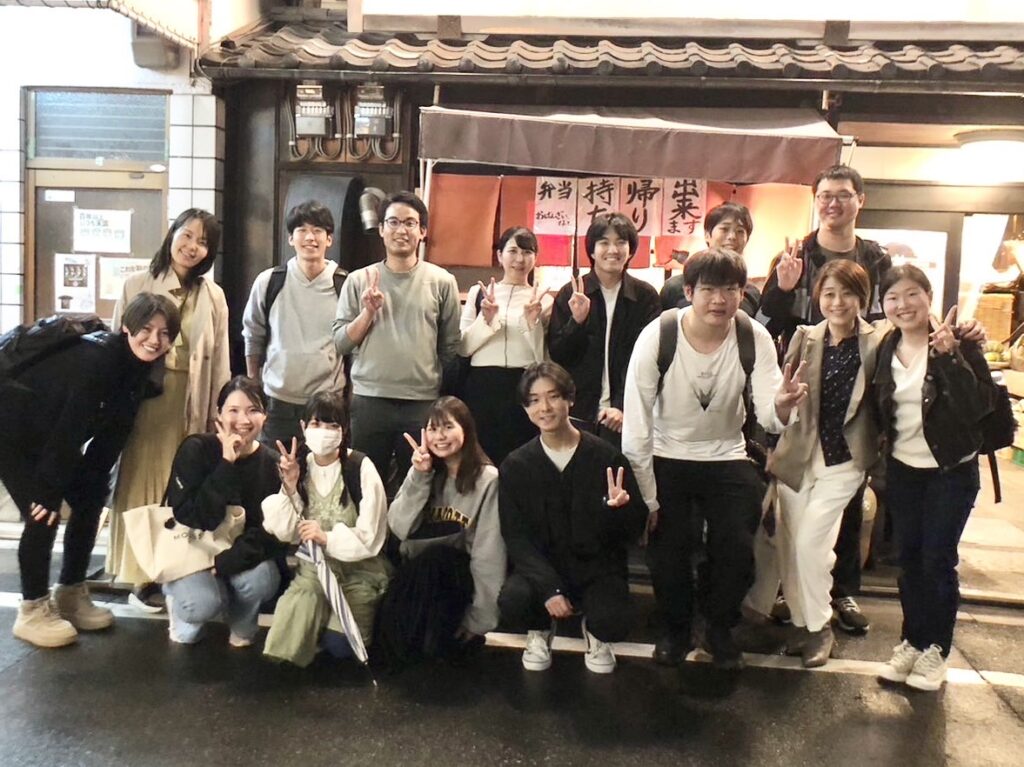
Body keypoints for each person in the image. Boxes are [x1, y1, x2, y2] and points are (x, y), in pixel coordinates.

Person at [622, 248, 807, 669]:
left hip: (726, 453)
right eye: (708, 289)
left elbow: (769, 416)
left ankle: (718, 627)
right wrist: (648, 497)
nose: (719, 300)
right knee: (669, 552)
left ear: (742, 292)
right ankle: (675, 629)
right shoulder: (658, 335)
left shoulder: (752, 336)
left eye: (730, 289)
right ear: (688, 291)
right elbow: (636, 424)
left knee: (737, 550)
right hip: (666, 452)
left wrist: (783, 405)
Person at [2, 293, 180, 648]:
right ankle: (32, 608)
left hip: (46, 431)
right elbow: (68, 428)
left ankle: (70, 591)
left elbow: (114, 432)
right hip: (10, 430)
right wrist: (47, 491)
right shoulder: (97, 360)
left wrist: (95, 484)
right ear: (127, 327)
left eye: (164, 333)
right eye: (146, 329)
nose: (154, 340)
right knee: (43, 512)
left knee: (90, 500)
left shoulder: (140, 369)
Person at [757, 165, 891, 634]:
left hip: (853, 411)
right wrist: (783, 287)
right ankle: (798, 598)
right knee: (798, 525)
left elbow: (895, 319)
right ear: (816, 201)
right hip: (805, 405)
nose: (833, 204)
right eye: (825, 196)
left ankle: (840, 593)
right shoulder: (796, 254)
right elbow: (767, 323)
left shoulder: (876, 258)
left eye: (843, 195)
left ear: (860, 200)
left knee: (843, 515)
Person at [744, 261, 881, 667]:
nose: (837, 302)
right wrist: (775, 439)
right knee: (789, 546)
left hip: (845, 461)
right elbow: (781, 403)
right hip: (800, 455)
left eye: (847, 293)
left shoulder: (877, 342)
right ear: (819, 297)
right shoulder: (806, 338)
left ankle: (820, 626)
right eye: (829, 293)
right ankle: (803, 625)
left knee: (811, 543)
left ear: (862, 297)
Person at [874, 265, 995, 692]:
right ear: (883, 304)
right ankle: (912, 640)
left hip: (950, 470)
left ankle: (936, 650)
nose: (903, 305)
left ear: (929, 296)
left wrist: (951, 358)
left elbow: (978, 407)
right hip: (903, 470)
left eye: (912, 294)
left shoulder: (957, 342)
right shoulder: (884, 346)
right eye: (893, 297)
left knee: (937, 559)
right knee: (908, 559)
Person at [106, 208, 230, 613]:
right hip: (146, 403)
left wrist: (220, 412)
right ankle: (138, 575)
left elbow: (221, 358)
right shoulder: (137, 284)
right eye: (187, 235)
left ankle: (173, 569)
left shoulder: (213, 295)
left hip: (192, 401)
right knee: (141, 482)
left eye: (203, 242)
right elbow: (114, 349)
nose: (192, 246)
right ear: (172, 233)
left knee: (178, 484)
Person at [498, 362, 648, 674]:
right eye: (534, 400)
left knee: (614, 620)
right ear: (526, 408)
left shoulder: (606, 458)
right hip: (543, 567)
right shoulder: (516, 465)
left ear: (570, 399)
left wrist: (620, 509)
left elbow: (632, 533)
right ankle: (540, 629)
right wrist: (549, 588)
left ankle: (595, 632)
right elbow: (516, 537)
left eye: (553, 396)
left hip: (596, 568)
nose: (545, 408)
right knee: (513, 600)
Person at [333, 191, 461, 489]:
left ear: (423, 231)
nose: (401, 230)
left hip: (421, 402)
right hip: (369, 400)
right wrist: (368, 312)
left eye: (409, 223)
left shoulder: (442, 281)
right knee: (365, 485)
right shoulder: (359, 280)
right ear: (381, 229)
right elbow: (341, 343)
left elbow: (450, 348)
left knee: (420, 483)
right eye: (393, 222)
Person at [261, 390, 390, 667]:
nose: (324, 431)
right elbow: (285, 532)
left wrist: (327, 538)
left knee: (341, 646)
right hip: (314, 570)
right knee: (284, 644)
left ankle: (330, 623)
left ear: (344, 430)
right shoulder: (299, 467)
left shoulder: (359, 467)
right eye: (316, 423)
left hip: (359, 571)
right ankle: (317, 618)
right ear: (303, 426)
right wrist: (290, 486)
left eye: (332, 425)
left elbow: (372, 535)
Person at [161, 377, 287, 647]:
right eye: (233, 410)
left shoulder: (272, 463)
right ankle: (182, 606)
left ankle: (242, 623)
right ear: (219, 414)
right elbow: (194, 517)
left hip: (235, 551)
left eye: (253, 410)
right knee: (203, 603)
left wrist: (227, 562)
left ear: (265, 416)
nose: (243, 419)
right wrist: (226, 462)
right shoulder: (196, 449)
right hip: (192, 546)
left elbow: (268, 531)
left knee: (263, 580)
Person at [378, 396, 505, 665]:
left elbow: (488, 553)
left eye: (448, 427)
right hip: (418, 575)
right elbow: (398, 527)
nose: (440, 436)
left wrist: (479, 620)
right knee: (391, 647)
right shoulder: (424, 472)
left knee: (438, 558)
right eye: (433, 429)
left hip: (457, 579)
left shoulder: (488, 480)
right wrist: (419, 476)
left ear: (466, 429)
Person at [548, 213, 660, 447]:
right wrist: (576, 322)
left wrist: (621, 405)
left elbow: (648, 357)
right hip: (578, 412)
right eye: (604, 243)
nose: (613, 250)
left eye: (620, 242)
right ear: (591, 250)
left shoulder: (645, 296)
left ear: (630, 250)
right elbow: (559, 355)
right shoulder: (572, 292)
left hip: (627, 414)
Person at [243, 200, 347, 449]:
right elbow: (253, 333)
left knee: (322, 468)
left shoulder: (344, 284)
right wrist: (253, 384)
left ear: (329, 239)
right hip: (277, 401)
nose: (310, 237)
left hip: (327, 402)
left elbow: (353, 344)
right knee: (273, 466)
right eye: (302, 230)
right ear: (291, 238)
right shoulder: (269, 281)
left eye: (318, 230)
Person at [460, 226, 550, 464]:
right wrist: (486, 320)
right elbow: (463, 347)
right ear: (500, 255)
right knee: (480, 457)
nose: (520, 259)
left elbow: (542, 359)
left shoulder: (543, 299)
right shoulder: (478, 294)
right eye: (513, 251)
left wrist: (532, 323)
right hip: (482, 385)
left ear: (535, 258)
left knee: (522, 457)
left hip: (524, 385)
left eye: (527, 252)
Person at [660, 202, 761, 316]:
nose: (732, 237)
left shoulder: (752, 293)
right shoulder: (675, 287)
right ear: (707, 235)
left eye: (740, 231)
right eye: (724, 229)